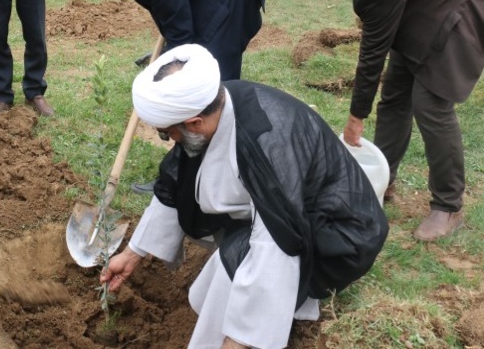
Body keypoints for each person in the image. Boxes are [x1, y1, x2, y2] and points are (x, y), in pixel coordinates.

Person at [101, 44, 388, 348]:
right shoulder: (220, 102)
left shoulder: (266, 146)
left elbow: (276, 245)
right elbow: (177, 180)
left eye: (166, 132)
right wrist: (133, 254)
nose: (168, 139)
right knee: (236, 255)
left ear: (195, 123)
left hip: (340, 233)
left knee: (240, 259)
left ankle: (254, 325)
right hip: (293, 214)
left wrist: (238, 340)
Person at [294, 0, 484, 241]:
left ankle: (448, 204)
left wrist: (356, 117)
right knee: (396, 94)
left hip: (462, 2)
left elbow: (371, 57)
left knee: (431, 105)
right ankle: (382, 180)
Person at [67, 0, 267, 193]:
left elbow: (183, 44)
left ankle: (198, 178)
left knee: (205, 95)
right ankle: (194, 170)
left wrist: (166, 98)